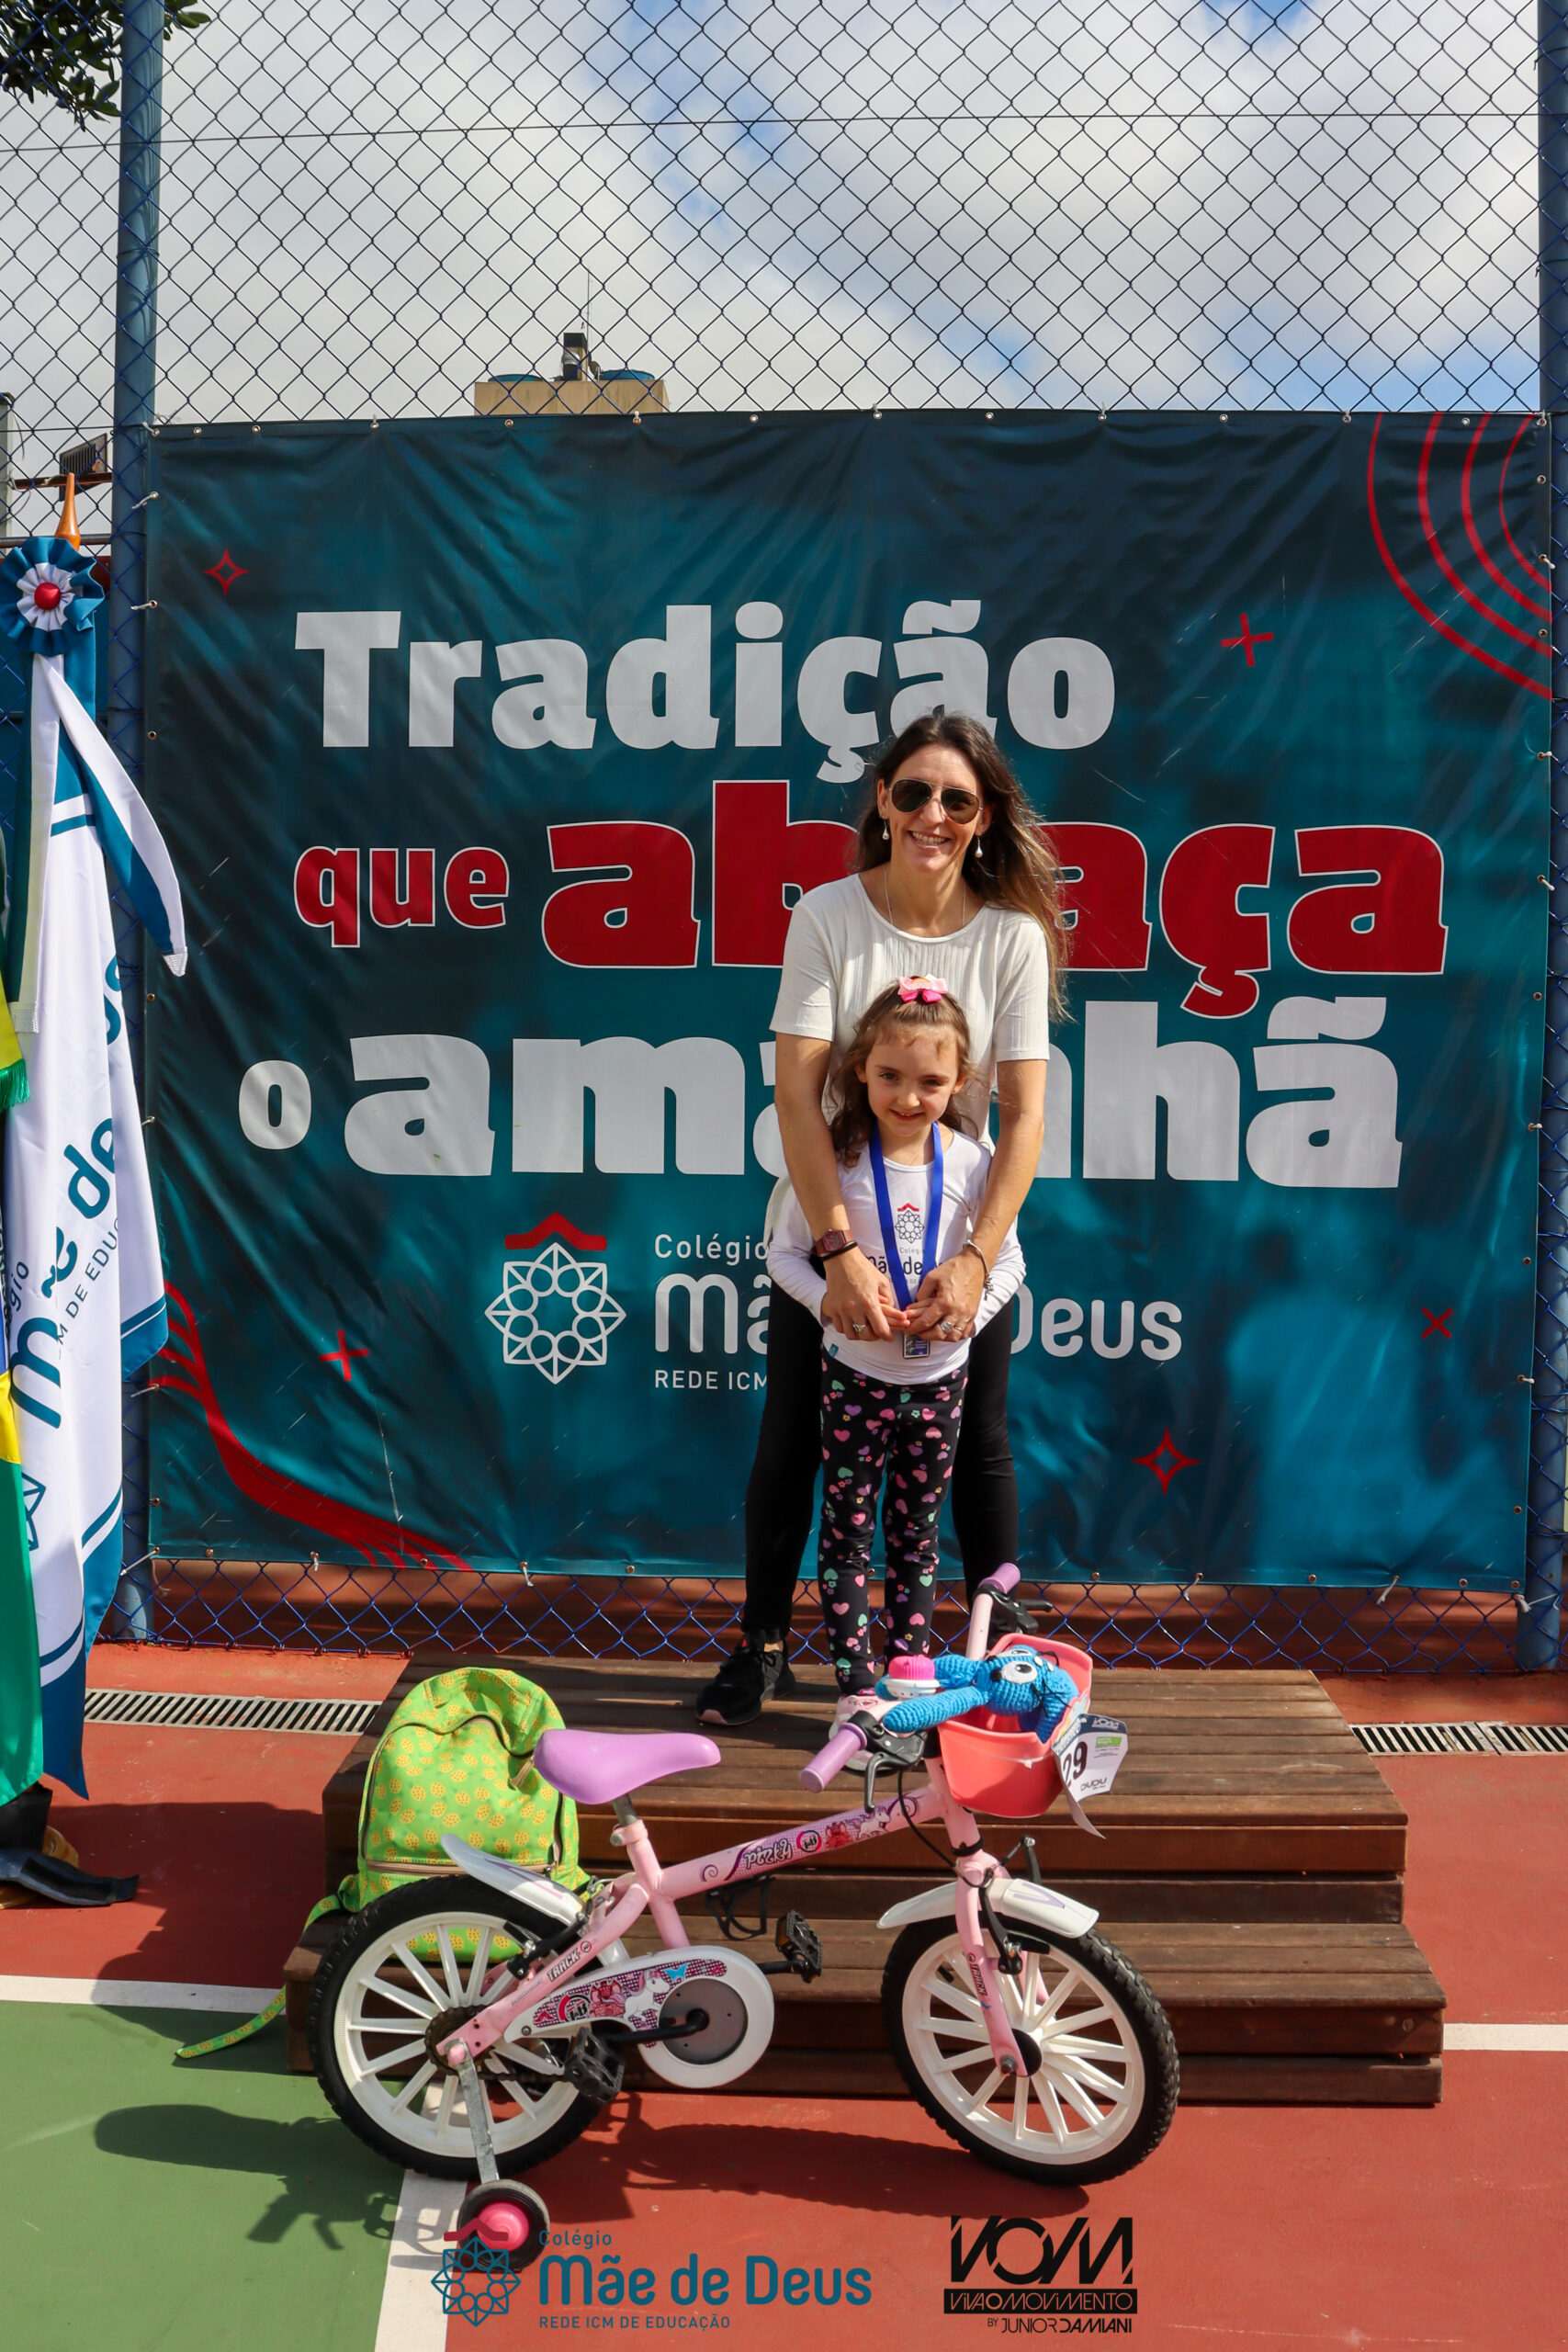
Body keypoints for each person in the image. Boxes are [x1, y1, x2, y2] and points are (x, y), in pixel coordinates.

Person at [695, 709, 1066, 1725]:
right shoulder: (826, 913)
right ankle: (763, 1650)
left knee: (979, 1444)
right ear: (883, 803)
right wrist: (838, 1253)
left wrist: (974, 1261)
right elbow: (796, 1098)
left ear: (984, 818)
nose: (933, 814)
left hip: (960, 1235)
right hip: (835, 1225)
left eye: (957, 799)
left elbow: (1027, 1116)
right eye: (914, 793)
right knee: (791, 1443)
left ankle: (999, 1665)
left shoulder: (1013, 937)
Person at [766, 977, 1024, 1720]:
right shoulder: (831, 1165)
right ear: (859, 1071)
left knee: (916, 1537)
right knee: (847, 1531)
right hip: (854, 1383)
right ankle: (855, 1688)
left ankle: (907, 1683)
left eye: (930, 1082)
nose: (908, 1097)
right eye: (889, 1076)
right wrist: (829, 1306)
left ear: (961, 1081)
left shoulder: (973, 1165)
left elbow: (1009, 1260)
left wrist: (968, 1315)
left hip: (942, 1385)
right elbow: (781, 1255)